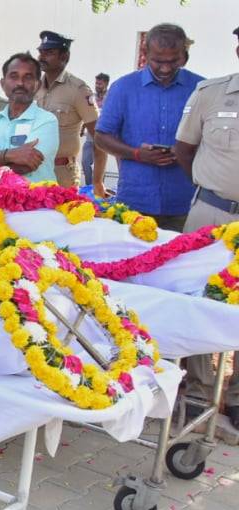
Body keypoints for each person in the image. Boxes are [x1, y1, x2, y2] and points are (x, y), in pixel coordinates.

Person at [174, 26, 239, 426]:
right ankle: (198, 390)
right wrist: (210, 190)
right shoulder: (210, 94)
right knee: (199, 299)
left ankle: (237, 398)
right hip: (210, 214)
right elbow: (185, 148)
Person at [95, 23, 203, 232]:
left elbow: (211, 140)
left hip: (185, 203)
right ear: (145, 53)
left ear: (184, 55)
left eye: (173, 61)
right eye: (158, 61)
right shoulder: (123, 88)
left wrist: (184, 152)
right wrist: (136, 154)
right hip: (135, 203)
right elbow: (101, 136)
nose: (165, 68)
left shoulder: (201, 89)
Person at [0, 52, 59, 183]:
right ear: (3, 84)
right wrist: (9, 154)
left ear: (37, 85)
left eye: (28, 77)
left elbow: (25, 166)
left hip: (36, 202)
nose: (20, 83)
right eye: (14, 77)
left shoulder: (47, 120)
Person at [35, 30, 106, 190]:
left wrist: (97, 182)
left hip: (62, 175)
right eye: (41, 52)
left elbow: (99, 138)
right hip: (33, 172)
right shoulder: (34, 88)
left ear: (64, 56)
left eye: (49, 52)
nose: (42, 57)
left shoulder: (78, 90)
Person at [82, 72, 110, 187]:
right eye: (96, 83)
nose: (97, 86)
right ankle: (90, 186)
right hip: (90, 135)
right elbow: (86, 115)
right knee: (85, 162)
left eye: (100, 84)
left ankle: (99, 187)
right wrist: (82, 127)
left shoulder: (111, 98)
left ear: (106, 84)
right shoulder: (91, 98)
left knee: (100, 163)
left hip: (103, 137)